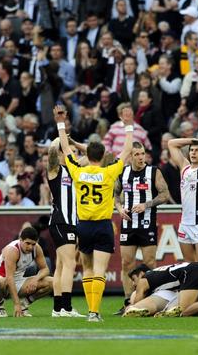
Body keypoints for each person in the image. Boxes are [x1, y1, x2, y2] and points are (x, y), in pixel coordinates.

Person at [55, 103, 135, 323]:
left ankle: (92, 311)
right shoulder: (109, 172)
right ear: (103, 156)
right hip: (102, 224)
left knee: (88, 269)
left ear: (87, 154)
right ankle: (93, 312)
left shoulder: (78, 171)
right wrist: (128, 126)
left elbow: (66, 149)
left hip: (83, 226)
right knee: (100, 269)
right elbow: (127, 151)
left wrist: (61, 123)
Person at [114, 142, 170, 314]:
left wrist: (146, 204)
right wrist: (119, 208)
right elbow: (115, 194)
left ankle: (149, 301)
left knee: (149, 263)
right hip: (128, 224)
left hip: (147, 224)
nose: (140, 157)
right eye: (137, 154)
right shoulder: (123, 172)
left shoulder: (153, 172)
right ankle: (127, 302)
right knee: (126, 264)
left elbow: (165, 195)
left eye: (142, 154)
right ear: (130, 156)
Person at [46, 137, 87, 317]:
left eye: (76, 153)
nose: (75, 155)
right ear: (62, 153)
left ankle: (57, 308)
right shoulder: (56, 170)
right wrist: (59, 139)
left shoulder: (77, 171)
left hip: (71, 222)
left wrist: (74, 143)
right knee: (70, 263)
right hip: (61, 221)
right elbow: (51, 155)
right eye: (70, 152)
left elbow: (96, 155)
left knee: (61, 266)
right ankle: (67, 307)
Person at [167, 136, 198, 262]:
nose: (193, 153)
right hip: (185, 224)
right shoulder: (185, 168)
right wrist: (192, 140)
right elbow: (171, 143)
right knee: (190, 267)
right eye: (191, 150)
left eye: (197, 150)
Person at [0, 225, 53, 318]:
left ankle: (24, 305)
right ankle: (0, 306)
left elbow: (45, 269)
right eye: (27, 243)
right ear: (20, 240)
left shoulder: (36, 248)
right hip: (4, 281)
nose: (30, 247)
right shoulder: (12, 250)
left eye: (33, 244)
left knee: (52, 282)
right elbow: (10, 278)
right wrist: (16, 304)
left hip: (19, 281)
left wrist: (36, 279)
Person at [123, 262, 198, 318]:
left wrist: (131, 306)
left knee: (184, 310)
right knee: (197, 308)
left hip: (190, 271)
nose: (134, 284)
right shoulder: (156, 275)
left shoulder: (143, 279)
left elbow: (137, 301)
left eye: (134, 279)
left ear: (141, 273)